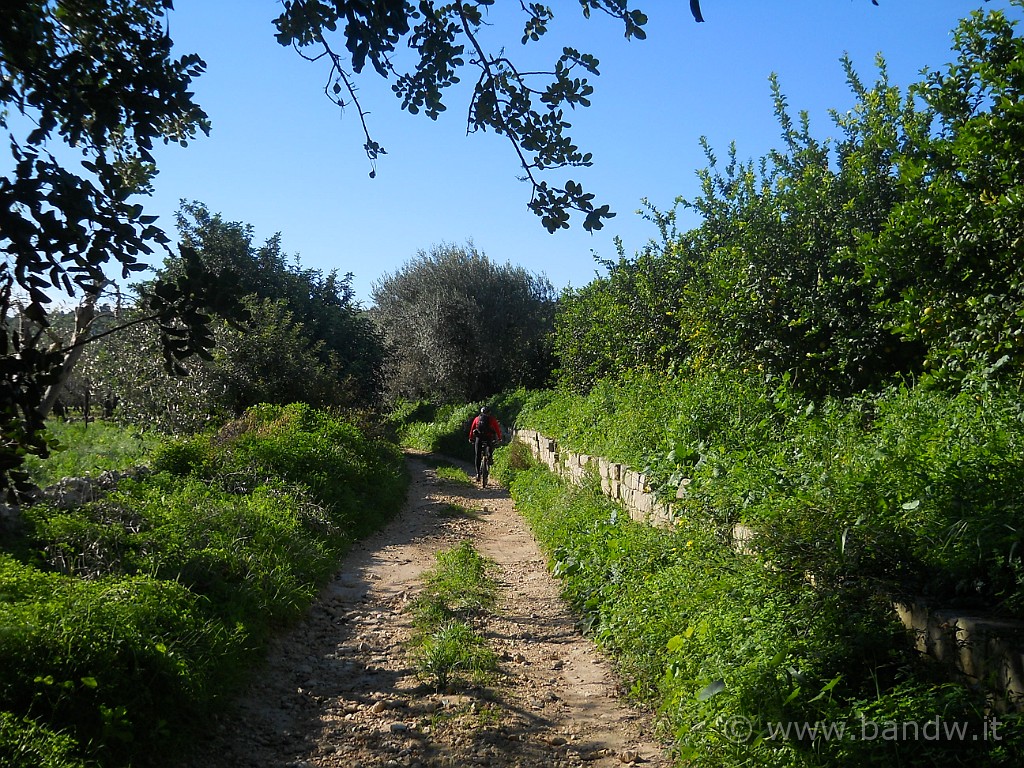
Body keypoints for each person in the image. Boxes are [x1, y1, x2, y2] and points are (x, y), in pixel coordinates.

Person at [468, 406, 503, 481]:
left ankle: (478, 474)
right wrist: (499, 438)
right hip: (488, 438)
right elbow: (497, 429)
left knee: (477, 455)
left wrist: (471, 438)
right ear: (489, 412)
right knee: (490, 448)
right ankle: (489, 458)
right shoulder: (492, 419)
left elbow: (472, 429)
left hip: (479, 438)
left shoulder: (477, 419)